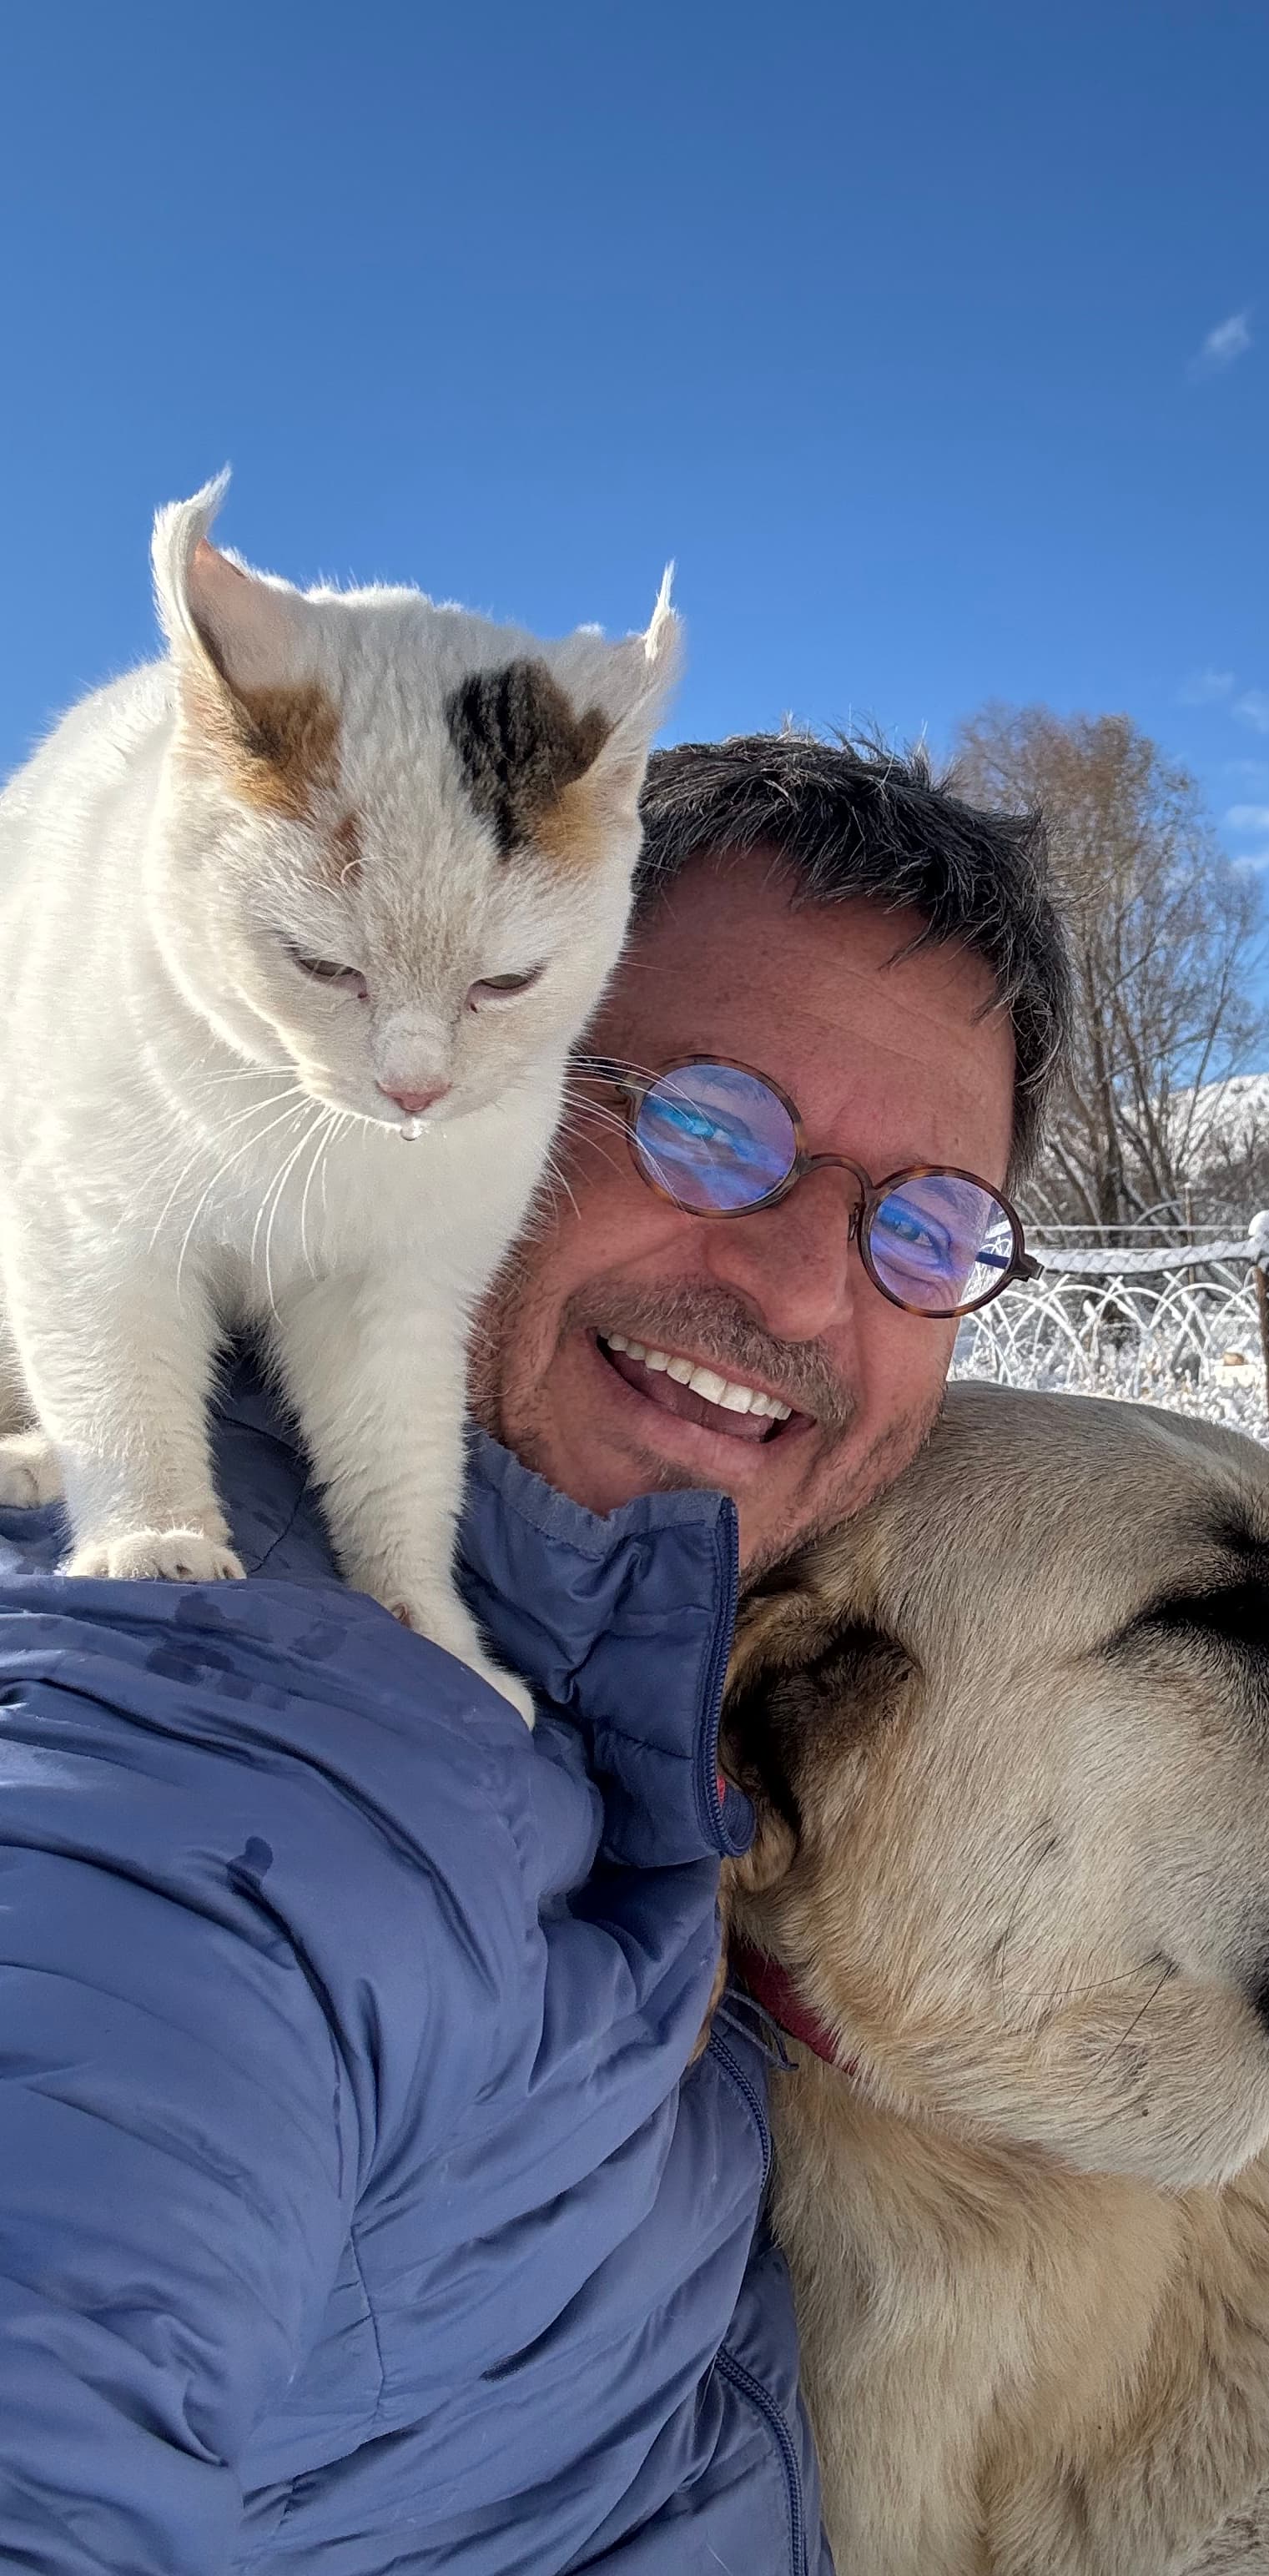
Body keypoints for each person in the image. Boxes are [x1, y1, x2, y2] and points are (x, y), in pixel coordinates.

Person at [0, 734, 1065, 2574]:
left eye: (927, 1224)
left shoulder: (662, 1662)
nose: (813, 1288)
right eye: (707, 1121)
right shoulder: (231, 1748)